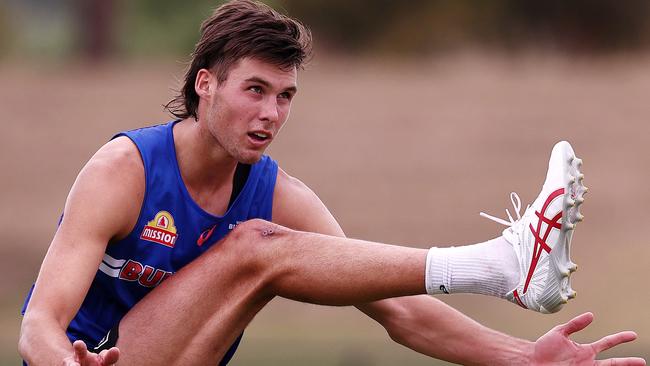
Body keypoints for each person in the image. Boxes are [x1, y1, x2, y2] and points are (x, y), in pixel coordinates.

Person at [18, 1, 644, 365]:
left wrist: (523, 358)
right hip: (100, 357)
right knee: (255, 248)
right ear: (204, 84)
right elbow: (38, 325)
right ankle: (502, 262)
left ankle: (507, 266)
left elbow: (398, 310)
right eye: (254, 90)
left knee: (265, 246)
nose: (271, 114)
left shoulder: (278, 194)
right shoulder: (122, 171)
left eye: (286, 95)